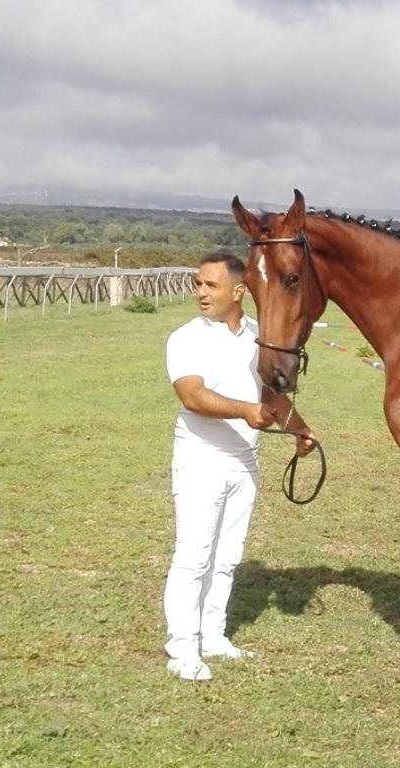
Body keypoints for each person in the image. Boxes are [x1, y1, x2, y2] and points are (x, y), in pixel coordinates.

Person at [161, 252, 314, 681]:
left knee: (228, 556)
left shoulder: (257, 336)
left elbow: (273, 399)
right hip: (201, 457)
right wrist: (245, 410)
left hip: (245, 461)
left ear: (239, 291)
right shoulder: (186, 338)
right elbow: (192, 396)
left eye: (210, 285)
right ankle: (182, 647)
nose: (200, 293)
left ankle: (213, 635)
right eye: (198, 284)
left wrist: (300, 431)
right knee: (194, 554)